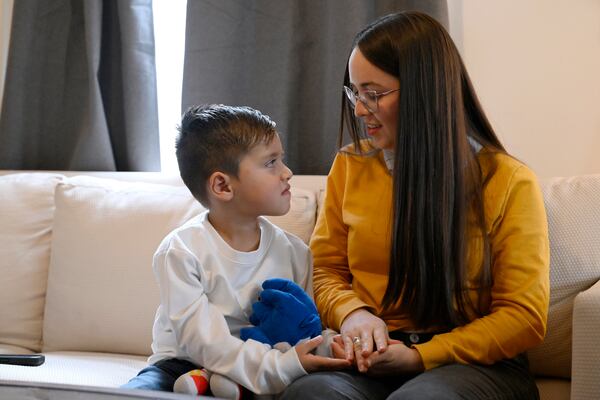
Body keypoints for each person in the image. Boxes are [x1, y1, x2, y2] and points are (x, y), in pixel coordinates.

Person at [281, 11, 550, 400]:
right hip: (373, 354)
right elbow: (324, 270)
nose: (358, 110)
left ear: (426, 91)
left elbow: (523, 317)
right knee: (312, 393)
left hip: (474, 364)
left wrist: (421, 356)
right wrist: (353, 314)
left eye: (372, 94)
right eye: (355, 93)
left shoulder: (507, 181)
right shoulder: (350, 166)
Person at [122, 104, 349, 396]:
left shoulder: (294, 252)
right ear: (222, 185)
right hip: (182, 366)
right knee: (137, 393)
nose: (287, 173)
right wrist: (283, 366)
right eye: (271, 163)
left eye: (282, 160)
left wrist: (335, 345)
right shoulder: (180, 252)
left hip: (264, 362)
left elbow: (303, 326)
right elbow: (204, 343)